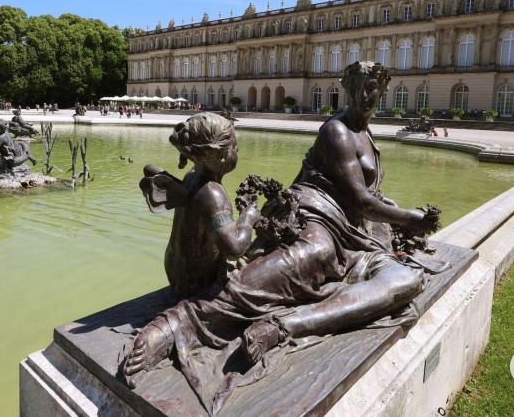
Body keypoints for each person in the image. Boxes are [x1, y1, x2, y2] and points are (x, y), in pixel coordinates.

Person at [125, 62, 439, 407]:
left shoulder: (365, 134)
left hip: (355, 238)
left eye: (372, 88)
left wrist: (396, 221)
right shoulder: (336, 131)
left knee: (405, 281)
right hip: (316, 215)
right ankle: (185, 320)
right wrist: (411, 219)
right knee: (306, 256)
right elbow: (360, 200)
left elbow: (369, 199)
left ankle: (286, 326)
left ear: (382, 91)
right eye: (360, 87)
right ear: (347, 88)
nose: (365, 95)